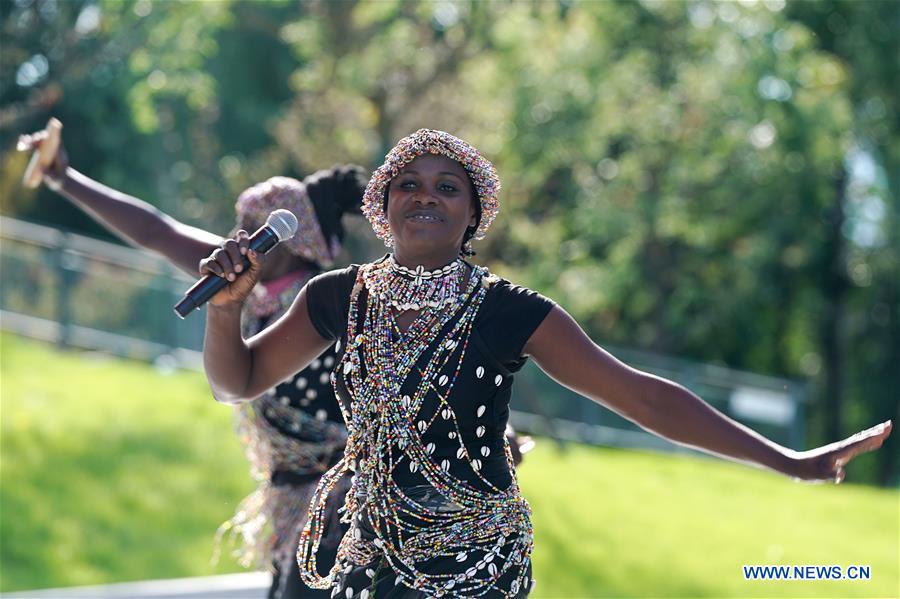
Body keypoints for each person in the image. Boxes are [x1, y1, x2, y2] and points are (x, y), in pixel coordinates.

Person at [199, 129, 890, 598]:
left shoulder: (510, 311)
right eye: (407, 184)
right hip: (357, 551)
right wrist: (226, 307)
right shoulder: (337, 297)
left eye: (447, 187)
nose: (425, 195)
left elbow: (646, 399)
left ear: (474, 215)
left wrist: (791, 461)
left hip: (470, 565)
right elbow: (239, 379)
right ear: (382, 209)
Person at [18, 126, 368, 599]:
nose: (242, 235)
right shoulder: (247, 283)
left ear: (296, 240)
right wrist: (65, 178)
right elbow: (155, 231)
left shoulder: (330, 302)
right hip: (292, 506)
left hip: (341, 512)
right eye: (241, 221)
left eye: (259, 226)